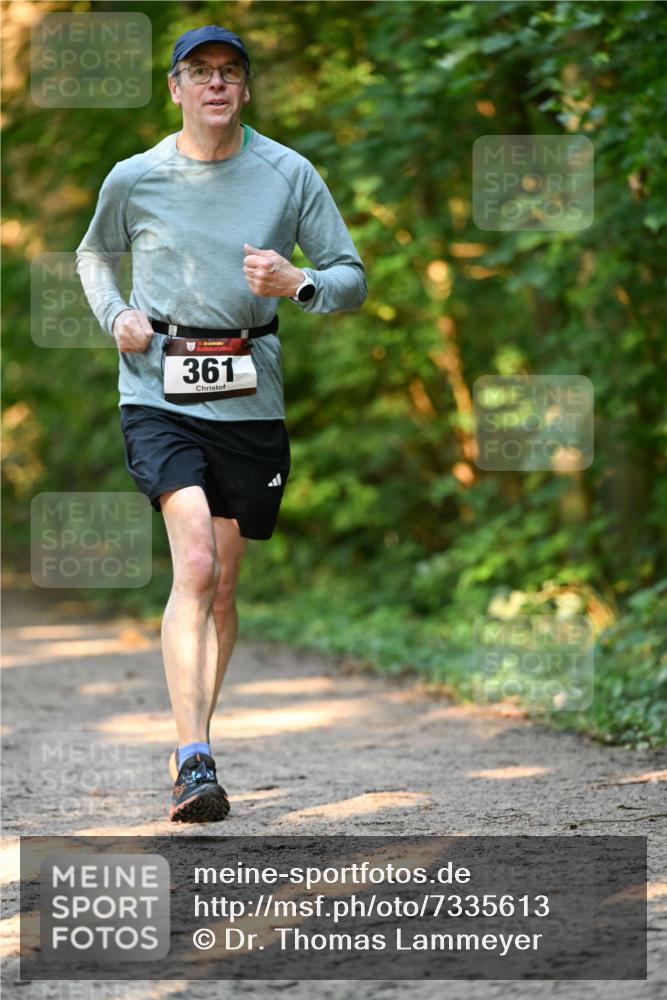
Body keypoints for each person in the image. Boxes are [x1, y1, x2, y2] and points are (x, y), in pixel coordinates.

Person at [76, 25, 367, 823]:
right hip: (157, 391)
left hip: (250, 398)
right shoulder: (135, 177)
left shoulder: (287, 173)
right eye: (199, 72)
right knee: (196, 564)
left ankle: (191, 742)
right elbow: (93, 255)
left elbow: (350, 278)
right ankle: (194, 757)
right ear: (174, 87)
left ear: (244, 89)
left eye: (229, 73)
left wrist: (297, 280)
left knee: (226, 581)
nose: (214, 84)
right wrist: (116, 314)